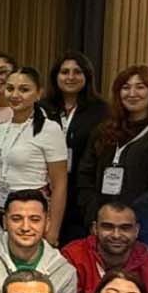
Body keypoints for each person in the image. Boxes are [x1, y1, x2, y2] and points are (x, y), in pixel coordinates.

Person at [76, 65, 148, 246]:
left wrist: (128, 220)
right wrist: (95, 214)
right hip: (100, 224)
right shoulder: (103, 131)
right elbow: (84, 175)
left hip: (140, 228)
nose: (132, 93)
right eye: (126, 87)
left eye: (140, 87)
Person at [0, 66, 69, 240]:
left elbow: (59, 184)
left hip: (30, 214)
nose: (15, 95)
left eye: (24, 90)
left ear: (38, 94)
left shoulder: (49, 129)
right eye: (10, 88)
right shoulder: (1, 129)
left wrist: (53, 232)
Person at [42, 51, 110, 245]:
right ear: (55, 76)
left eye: (77, 72)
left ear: (87, 76)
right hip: (46, 187)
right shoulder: (42, 108)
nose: (70, 77)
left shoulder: (102, 111)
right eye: (64, 72)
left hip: (81, 191)